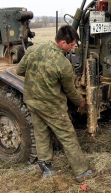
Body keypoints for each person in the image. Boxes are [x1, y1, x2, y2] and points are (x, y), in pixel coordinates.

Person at [16, 25, 97, 182]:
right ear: (63, 43)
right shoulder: (63, 64)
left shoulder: (34, 50)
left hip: (32, 102)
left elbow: (19, 70)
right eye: (72, 45)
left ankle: (46, 167)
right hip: (52, 107)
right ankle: (81, 171)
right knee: (68, 136)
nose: (73, 48)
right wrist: (80, 102)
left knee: (41, 133)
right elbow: (70, 90)